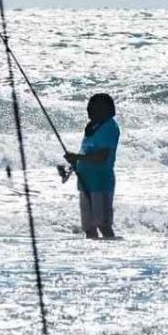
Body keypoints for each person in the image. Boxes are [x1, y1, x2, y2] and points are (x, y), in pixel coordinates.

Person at [64, 93, 120, 239]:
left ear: (104, 109)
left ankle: (112, 255)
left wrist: (76, 157)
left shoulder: (109, 127)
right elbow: (86, 153)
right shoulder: (92, 127)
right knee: (88, 228)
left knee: (103, 224)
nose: (88, 110)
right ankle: (95, 258)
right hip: (85, 182)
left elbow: (102, 157)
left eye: (92, 107)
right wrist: (73, 164)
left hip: (100, 183)